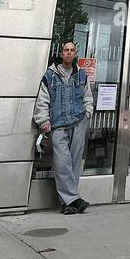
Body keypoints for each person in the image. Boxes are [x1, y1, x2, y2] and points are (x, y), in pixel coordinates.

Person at [34, 39, 92, 215]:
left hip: (78, 122)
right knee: (62, 163)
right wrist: (44, 121)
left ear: (75, 54)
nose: (68, 52)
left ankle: (69, 202)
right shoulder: (50, 75)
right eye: (66, 50)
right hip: (58, 125)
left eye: (72, 50)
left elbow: (87, 96)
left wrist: (88, 112)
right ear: (61, 53)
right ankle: (72, 199)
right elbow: (43, 100)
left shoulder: (81, 75)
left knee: (74, 162)